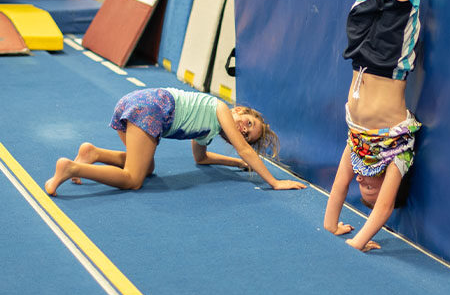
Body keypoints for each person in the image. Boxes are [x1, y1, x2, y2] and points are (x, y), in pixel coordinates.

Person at [323, 0, 431, 251]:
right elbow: (383, 211)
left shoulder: (356, 150)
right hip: (390, 62)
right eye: (372, 188)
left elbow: (337, 189)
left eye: (362, 190)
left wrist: (333, 224)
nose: (365, 186)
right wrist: (361, 240)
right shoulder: (398, 157)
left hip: (361, 56)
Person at [45, 87, 306, 195]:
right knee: (133, 180)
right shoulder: (221, 109)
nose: (244, 130)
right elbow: (244, 148)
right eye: (248, 123)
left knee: (147, 168)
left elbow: (201, 159)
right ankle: (71, 168)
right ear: (240, 110)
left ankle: (92, 153)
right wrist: (274, 182)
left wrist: (237, 164)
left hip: (138, 101)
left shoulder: (210, 128)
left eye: (248, 133)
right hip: (151, 108)